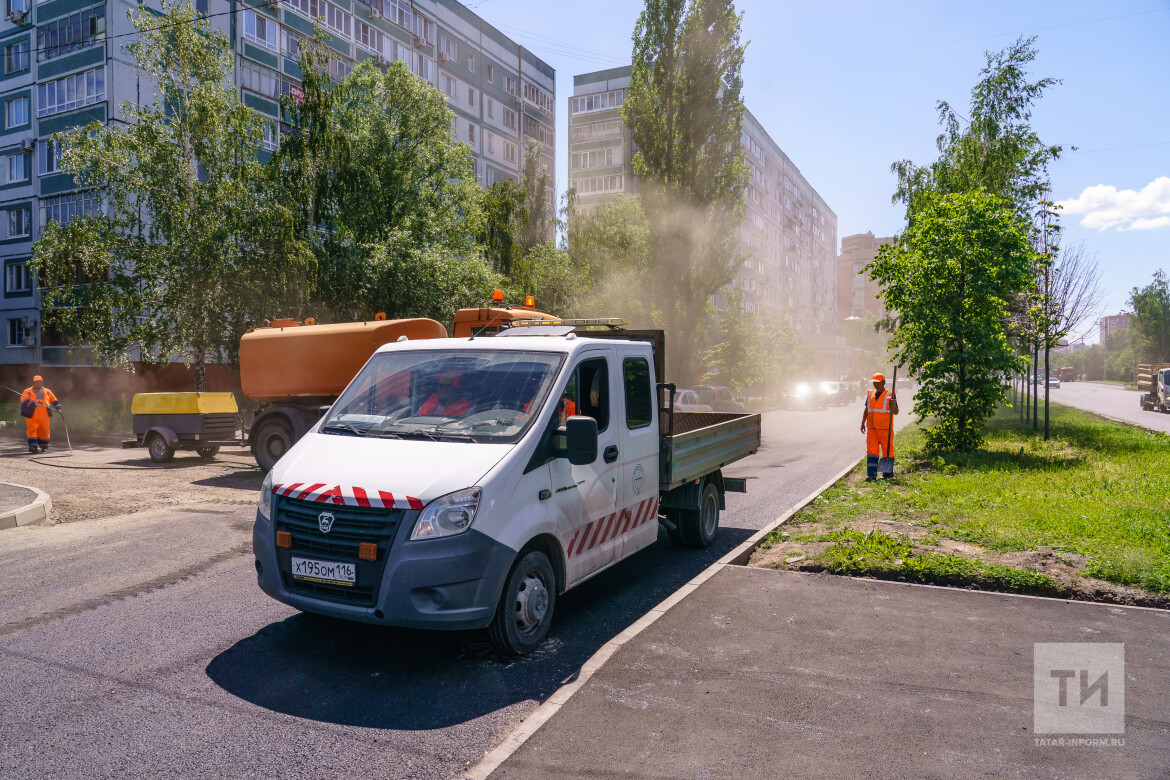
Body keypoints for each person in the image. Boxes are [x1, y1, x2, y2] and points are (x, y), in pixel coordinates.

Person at [860, 372, 898, 481]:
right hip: (872, 429)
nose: (876, 385)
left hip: (885, 429)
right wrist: (863, 422)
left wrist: (893, 404)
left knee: (887, 451)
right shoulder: (870, 394)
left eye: (878, 383)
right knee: (872, 451)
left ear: (884, 382)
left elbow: (896, 412)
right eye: (874, 383)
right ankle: (871, 475)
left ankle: (887, 473)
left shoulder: (891, 395)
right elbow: (867, 409)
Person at [20, 375, 61, 454]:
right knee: (32, 429)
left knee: (44, 430)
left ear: (42, 382)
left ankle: (44, 447)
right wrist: (34, 404)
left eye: (39, 381)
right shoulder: (27, 391)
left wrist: (59, 408)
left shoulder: (48, 391)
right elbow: (24, 403)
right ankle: (33, 446)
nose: (38, 383)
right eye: (36, 382)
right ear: (33, 382)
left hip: (44, 414)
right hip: (32, 414)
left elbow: (55, 400)